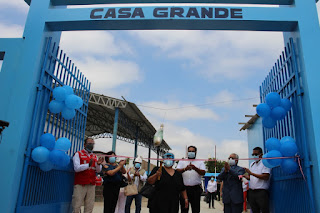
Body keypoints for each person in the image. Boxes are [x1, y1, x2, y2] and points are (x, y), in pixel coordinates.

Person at [71, 138, 104, 213]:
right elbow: (76, 168)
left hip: (91, 183)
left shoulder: (94, 156)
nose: (91, 145)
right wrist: (88, 165)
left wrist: (98, 164)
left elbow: (98, 170)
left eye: (93, 144)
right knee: (77, 204)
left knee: (89, 205)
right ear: (84, 144)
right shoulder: (78, 154)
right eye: (89, 143)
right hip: (80, 183)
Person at [176, 145, 206, 213]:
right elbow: (177, 171)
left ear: (196, 152)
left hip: (195, 189)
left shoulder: (200, 162)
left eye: (193, 151)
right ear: (187, 152)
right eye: (189, 151)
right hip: (184, 189)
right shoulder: (182, 161)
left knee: (196, 209)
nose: (191, 153)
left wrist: (195, 168)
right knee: (184, 209)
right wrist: (185, 169)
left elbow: (203, 172)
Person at [244, 147, 271, 213]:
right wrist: (245, 176)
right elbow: (251, 177)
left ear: (261, 154)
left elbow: (266, 176)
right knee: (254, 210)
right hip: (252, 192)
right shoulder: (252, 164)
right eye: (253, 155)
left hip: (261, 192)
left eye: (256, 154)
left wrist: (252, 173)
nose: (254, 156)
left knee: (264, 210)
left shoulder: (265, 163)